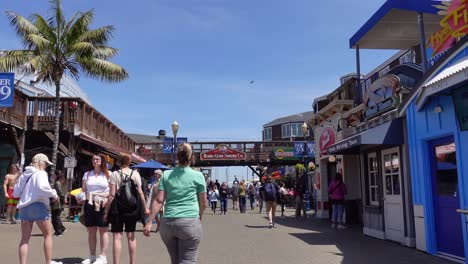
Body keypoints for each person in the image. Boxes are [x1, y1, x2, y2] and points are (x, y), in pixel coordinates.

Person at [143, 143, 206, 264]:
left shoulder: (166, 175)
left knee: (175, 261)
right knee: (187, 260)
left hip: (168, 224)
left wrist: (149, 222)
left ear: (177, 156)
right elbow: (203, 202)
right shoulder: (198, 176)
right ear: (191, 157)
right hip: (189, 221)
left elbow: (159, 200)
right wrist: (200, 215)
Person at [13, 153, 62, 264]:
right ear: (41, 162)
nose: (46, 166)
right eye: (46, 163)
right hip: (39, 205)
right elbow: (43, 187)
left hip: (25, 207)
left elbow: (16, 193)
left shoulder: (24, 175)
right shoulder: (41, 173)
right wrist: (54, 194)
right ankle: (48, 262)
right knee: (48, 235)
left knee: (24, 239)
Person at [104, 153, 149, 264]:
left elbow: (112, 195)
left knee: (117, 237)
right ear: (129, 162)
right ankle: (132, 262)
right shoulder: (135, 174)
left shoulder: (115, 174)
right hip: (132, 209)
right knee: (131, 236)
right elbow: (140, 193)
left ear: (119, 162)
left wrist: (106, 211)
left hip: (117, 209)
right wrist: (145, 208)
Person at [80, 154, 111, 264]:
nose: (95, 160)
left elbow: (113, 191)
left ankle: (103, 257)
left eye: (97, 159)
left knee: (103, 230)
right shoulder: (87, 174)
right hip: (89, 202)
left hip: (103, 203)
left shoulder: (108, 174)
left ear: (102, 161)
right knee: (91, 230)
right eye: (93, 159)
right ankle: (92, 256)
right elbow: (83, 190)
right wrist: (80, 198)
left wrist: (108, 199)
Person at [50, 170, 66, 236]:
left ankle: (59, 231)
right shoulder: (58, 183)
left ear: (56, 176)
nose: (52, 176)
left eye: (54, 175)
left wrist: (63, 199)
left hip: (57, 203)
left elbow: (60, 193)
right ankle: (61, 229)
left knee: (56, 217)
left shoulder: (57, 183)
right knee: (56, 217)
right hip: (57, 202)